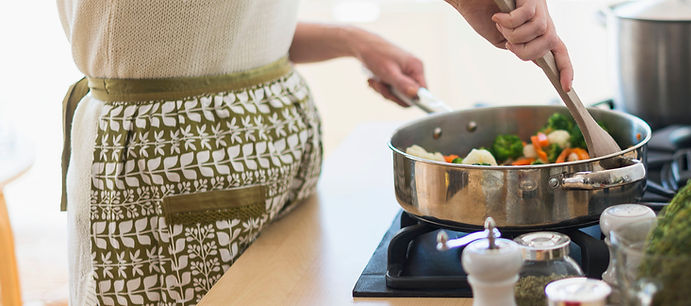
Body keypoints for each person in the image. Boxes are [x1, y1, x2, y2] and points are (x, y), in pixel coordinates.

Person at [57, 0, 573, 304]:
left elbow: (209, 30)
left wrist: (353, 39)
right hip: (176, 174)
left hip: (273, 163)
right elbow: (137, 45)